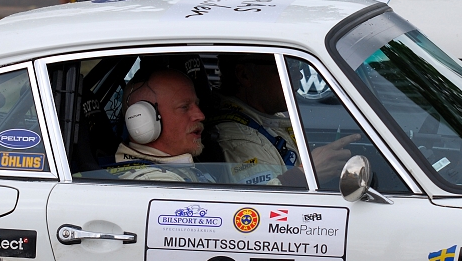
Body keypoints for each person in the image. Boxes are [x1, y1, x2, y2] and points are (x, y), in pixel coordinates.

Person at [212, 54, 360, 187]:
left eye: (298, 66)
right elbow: (262, 208)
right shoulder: (240, 139)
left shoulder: (263, 118)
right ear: (244, 75)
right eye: (287, 67)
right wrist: (306, 174)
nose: (300, 76)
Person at [111, 68, 213, 182]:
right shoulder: (156, 183)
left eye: (197, 104)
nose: (200, 115)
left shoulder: (176, 168)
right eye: (184, 107)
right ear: (142, 118)